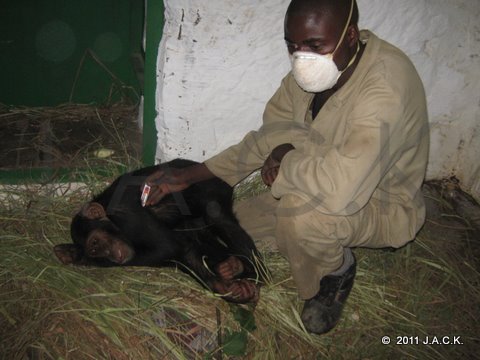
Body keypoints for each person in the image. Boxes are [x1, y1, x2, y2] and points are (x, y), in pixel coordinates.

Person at [143, 0, 429, 334]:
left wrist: (286, 162)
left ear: (350, 36)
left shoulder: (385, 89)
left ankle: (335, 273)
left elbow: (341, 192)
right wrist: (189, 175)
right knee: (228, 229)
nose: (302, 56)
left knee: (303, 216)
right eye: (292, 46)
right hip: (314, 177)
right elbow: (272, 132)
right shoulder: (318, 68)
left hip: (377, 202)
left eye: (314, 45)